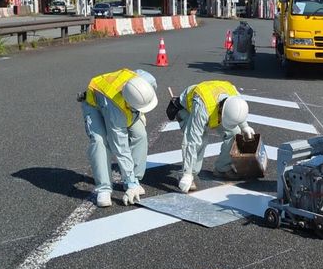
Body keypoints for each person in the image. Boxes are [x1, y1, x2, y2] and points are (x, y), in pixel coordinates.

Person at [80, 69, 158, 207]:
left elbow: (144, 93)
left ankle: (134, 179)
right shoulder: (116, 109)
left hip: (127, 102)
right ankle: (104, 188)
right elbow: (120, 147)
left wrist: (140, 112)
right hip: (96, 104)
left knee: (140, 134)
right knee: (100, 141)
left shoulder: (146, 80)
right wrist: (130, 182)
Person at [166, 80, 256, 193]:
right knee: (201, 140)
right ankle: (189, 174)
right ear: (222, 111)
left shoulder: (235, 97)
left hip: (216, 106)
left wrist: (245, 127)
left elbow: (237, 111)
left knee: (234, 133)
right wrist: (187, 174)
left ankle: (222, 168)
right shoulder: (202, 106)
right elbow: (191, 140)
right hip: (188, 108)